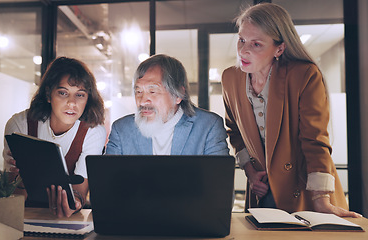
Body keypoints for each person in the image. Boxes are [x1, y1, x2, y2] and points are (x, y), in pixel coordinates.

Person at [221, 3, 360, 217]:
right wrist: (250, 173)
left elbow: (314, 141)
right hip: (263, 191)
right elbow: (234, 132)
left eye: (256, 44)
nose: (243, 50)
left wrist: (321, 199)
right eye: (241, 40)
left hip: (306, 190)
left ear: (279, 48)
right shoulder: (230, 78)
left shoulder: (304, 75)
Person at [3, 57, 106, 217]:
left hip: (69, 219)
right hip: (25, 215)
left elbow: (78, 193)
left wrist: (75, 203)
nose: (72, 103)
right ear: (48, 94)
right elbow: (14, 200)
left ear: (88, 99)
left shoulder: (92, 131)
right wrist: (18, 177)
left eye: (80, 95)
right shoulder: (20, 125)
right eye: (63, 93)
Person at [106, 54, 229, 156]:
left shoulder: (208, 126)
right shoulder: (121, 130)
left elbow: (218, 182)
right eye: (138, 91)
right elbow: (109, 182)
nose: (142, 101)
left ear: (178, 95)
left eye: (152, 91)